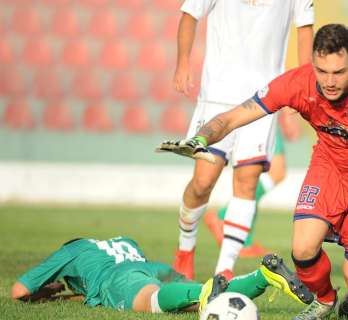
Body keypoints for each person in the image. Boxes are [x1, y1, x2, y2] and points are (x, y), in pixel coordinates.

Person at [160, 24, 348, 320]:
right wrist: (202, 138)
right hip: (331, 167)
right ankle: (325, 300)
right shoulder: (297, 83)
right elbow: (234, 116)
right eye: (321, 71)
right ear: (312, 63)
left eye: (339, 72)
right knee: (302, 249)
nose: (329, 81)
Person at [172, 0, 314, 280]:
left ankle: (224, 270)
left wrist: (302, 89)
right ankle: (185, 250)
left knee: (247, 182)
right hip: (217, 97)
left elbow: (305, 31)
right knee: (202, 183)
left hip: (264, 100)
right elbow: (190, 14)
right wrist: (183, 62)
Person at [11, 237, 313, 313]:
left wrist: (46, 292)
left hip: (119, 279)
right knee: (194, 301)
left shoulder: (72, 250)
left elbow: (19, 291)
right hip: (150, 268)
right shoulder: (121, 240)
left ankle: (204, 294)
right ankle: (262, 276)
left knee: (156, 301)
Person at [204, 120, 301, 258]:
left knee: (265, 175)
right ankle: (225, 218)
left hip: (262, 115)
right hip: (261, 115)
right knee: (274, 172)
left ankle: (244, 239)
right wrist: (289, 117)